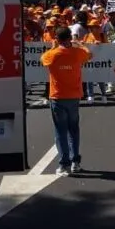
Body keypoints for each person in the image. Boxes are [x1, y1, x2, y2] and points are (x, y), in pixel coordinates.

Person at [41, 27, 90, 175]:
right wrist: (79, 44)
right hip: (74, 96)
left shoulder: (52, 54)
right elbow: (88, 54)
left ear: (56, 39)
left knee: (60, 131)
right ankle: (75, 162)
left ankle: (64, 164)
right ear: (70, 38)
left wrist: (54, 47)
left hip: (57, 97)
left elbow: (42, 59)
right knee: (73, 129)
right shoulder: (77, 52)